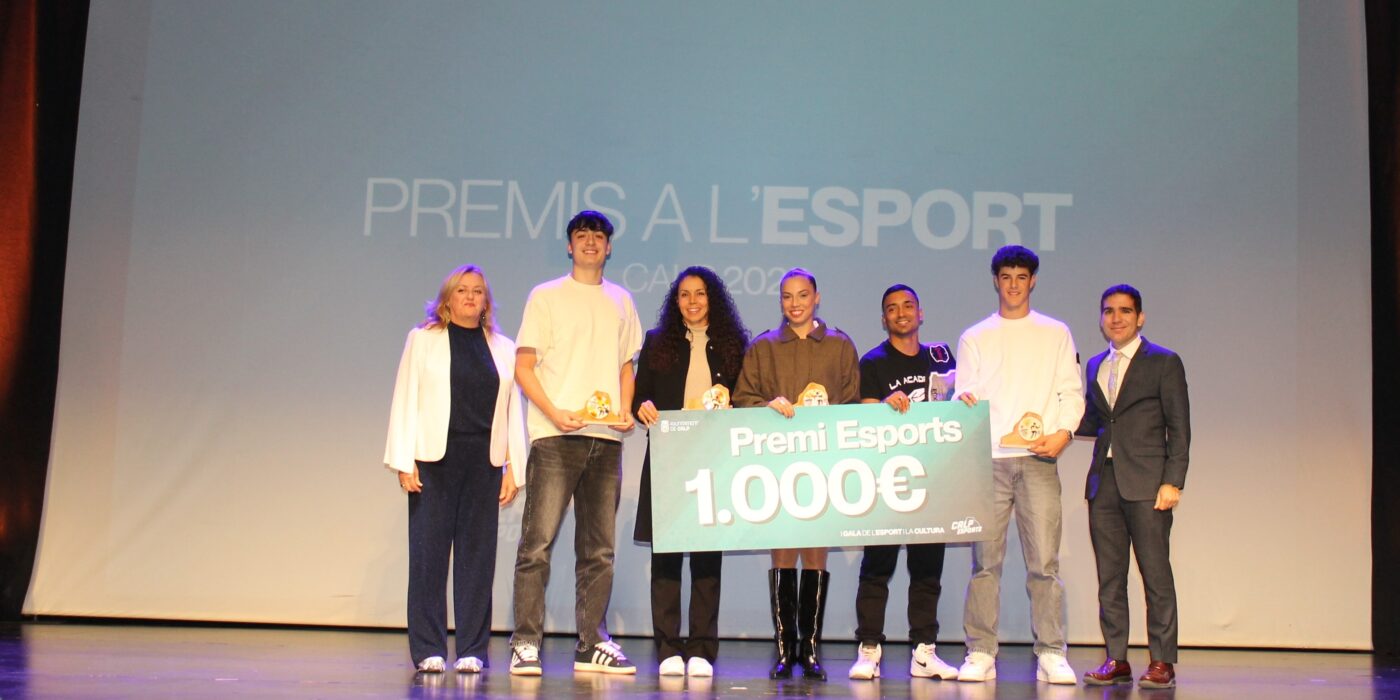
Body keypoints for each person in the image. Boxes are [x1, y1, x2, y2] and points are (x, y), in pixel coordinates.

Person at [508, 211, 642, 676]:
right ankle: (526, 642)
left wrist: (625, 409)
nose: (590, 242)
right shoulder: (546, 296)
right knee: (537, 545)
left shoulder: (621, 300)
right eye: (581, 236)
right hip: (556, 437)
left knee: (599, 550)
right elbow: (524, 366)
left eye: (598, 236)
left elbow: (626, 366)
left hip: (605, 439)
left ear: (609, 247)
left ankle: (591, 643)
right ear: (569, 246)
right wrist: (552, 412)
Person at [383, 264, 528, 674]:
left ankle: (472, 649)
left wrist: (514, 467)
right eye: (462, 290)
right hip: (435, 462)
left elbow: (511, 411)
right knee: (428, 558)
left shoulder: (503, 347)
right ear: (447, 299)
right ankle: (428, 647)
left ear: (486, 301)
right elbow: (405, 398)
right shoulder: (423, 340)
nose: (470, 296)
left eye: (477, 291)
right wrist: (404, 460)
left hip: (484, 463)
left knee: (477, 560)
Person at [954, 245, 1085, 685]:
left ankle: (1051, 651)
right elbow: (966, 395)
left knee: (1044, 563)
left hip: (1038, 459)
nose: (1013, 284)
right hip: (989, 460)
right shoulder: (975, 336)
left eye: (1021, 277)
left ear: (1033, 281)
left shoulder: (1055, 332)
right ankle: (980, 651)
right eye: (1006, 277)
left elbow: (1071, 392)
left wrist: (1064, 433)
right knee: (985, 563)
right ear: (996, 281)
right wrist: (961, 400)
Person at [733, 267, 860, 681]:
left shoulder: (840, 345)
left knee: (816, 553)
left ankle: (811, 649)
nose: (795, 303)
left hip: (823, 465)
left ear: (816, 297)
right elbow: (743, 398)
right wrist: (766, 405)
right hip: (778, 466)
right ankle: (786, 649)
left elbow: (853, 404)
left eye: (802, 295)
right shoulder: (763, 347)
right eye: (787, 296)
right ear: (780, 301)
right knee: (784, 553)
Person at [633, 266, 750, 678]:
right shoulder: (657, 341)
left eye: (700, 293)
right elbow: (639, 398)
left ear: (712, 298)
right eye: (684, 294)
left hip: (713, 458)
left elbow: (746, 397)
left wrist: (736, 409)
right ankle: (668, 646)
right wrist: (643, 407)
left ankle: (701, 647)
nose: (693, 301)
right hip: (669, 457)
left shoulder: (734, 343)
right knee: (665, 556)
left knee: (706, 557)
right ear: (676, 300)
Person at [1076, 284, 1190, 689]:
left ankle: (1162, 661)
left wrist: (1173, 481)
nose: (1116, 318)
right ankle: (1116, 658)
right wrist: (1052, 414)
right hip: (1103, 483)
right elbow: (1092, 421)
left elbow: (1179, 427)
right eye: (1108, 311)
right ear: (1101, 318)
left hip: (1147, 484)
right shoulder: (1094, 364)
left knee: (1156, 576)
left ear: (1140, 318)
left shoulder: (1163, 361)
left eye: (1125, 311)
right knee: (1110, 577)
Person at [847, 284, 959, 681]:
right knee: (876, 567)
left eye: (908, 305)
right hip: (887, 480)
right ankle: (869, 649)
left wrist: (965, 401)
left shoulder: (942, 357)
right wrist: (882, 408)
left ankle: (924, 651)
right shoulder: (873, 362)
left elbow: (956, 408)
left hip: (932, 478)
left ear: (920, 313)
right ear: (884, 319)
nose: (901, 313)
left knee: (927, 569)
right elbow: (865, 420)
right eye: (892, 308)